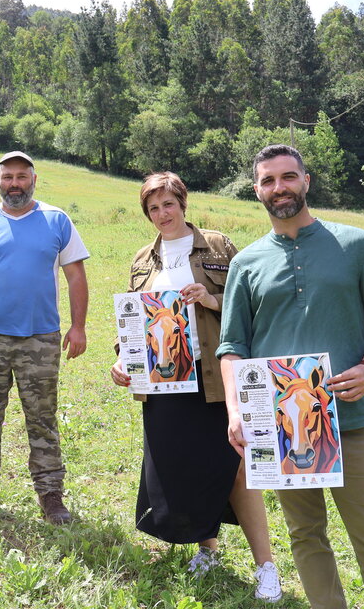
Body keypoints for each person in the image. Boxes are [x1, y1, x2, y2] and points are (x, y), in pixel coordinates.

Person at [218, 144, 364, 609]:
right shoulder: (246, 263)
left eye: (287, 177)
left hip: (352, 421)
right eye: (268, 180)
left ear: (306, 181)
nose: (278, 188)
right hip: (282, 430)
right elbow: (232, 348)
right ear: (257, 190)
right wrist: (236, 410)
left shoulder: (358, 246)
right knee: (306, 537)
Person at [110, 172, 281, 602]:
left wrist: (211, 299)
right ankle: (208, 549)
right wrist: (122, 358)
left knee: (237, 469)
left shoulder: (220, 247)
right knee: (188, 466)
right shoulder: (142, 260)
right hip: (166, 386)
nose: (162, 214)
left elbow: (255, 308)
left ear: (183, 204)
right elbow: (134, 323)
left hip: (216, 380)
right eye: (153, 208)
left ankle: (267, 566)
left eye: (168, 204)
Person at [0, 151, 88, 524]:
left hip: (41, 340)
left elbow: (75, 275)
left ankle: (51, 497)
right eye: (7, 176)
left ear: (34, 180)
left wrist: (78, 326)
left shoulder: (57, 220)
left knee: (42, 419)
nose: (14, 183)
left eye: (21, 176)